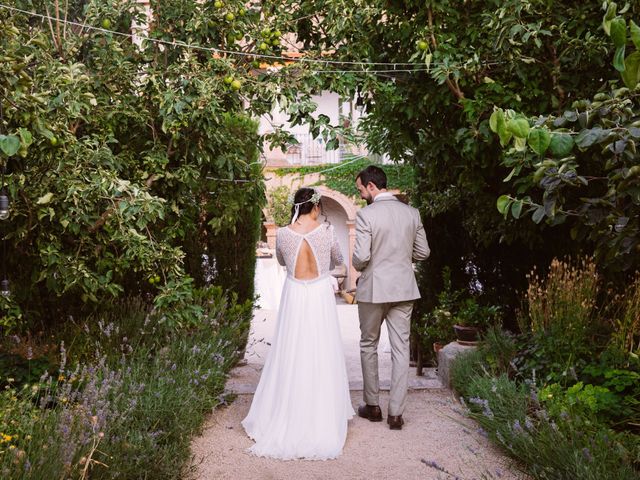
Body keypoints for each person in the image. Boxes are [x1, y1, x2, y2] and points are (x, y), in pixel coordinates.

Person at [242, 187, 355, 460]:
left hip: (294, 292)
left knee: (290, 350)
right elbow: (340, 261)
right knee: (320, 350)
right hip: (318, 295)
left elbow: (282, 261)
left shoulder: (282, 233)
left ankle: (287, 410)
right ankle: (320, 413)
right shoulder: (326, 231)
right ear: (315, 206)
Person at [352, 165, 430, 430]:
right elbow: (423, 252)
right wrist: (401, 258)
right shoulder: (412, 213)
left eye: (361, 189)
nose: (361, 194)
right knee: (400, 349)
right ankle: (396, 414)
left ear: (372, 186)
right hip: (404, 288)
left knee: (368, 345)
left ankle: (372, 406)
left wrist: (361, 266)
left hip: (373, 289)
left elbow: (361, 258)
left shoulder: (366, 215)